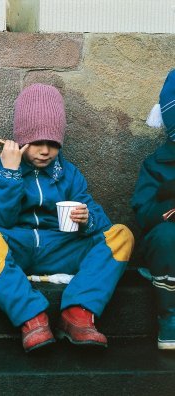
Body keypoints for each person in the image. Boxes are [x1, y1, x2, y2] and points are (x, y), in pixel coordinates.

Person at [0, 83, 134, 353]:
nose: (44, 151)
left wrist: (88, 218)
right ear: (20, 140)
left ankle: (78, 314)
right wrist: (11, 172)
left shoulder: (69, 173)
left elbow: (99, 217)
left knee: (121, 235)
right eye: (37, 143)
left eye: (52, 144)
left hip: (61, 247)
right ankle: (33, 319)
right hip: (17, 246)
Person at [131, 69, 175, 350]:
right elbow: (143, 214)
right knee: (167, 238)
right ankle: (170, 317)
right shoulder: (156, 164)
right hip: (168, 249)